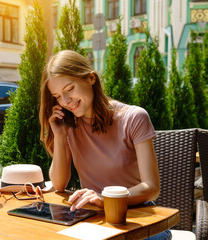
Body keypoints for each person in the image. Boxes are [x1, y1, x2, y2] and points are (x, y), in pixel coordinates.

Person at [39, 50, 171, 240]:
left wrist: (105, 199)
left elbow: (151, 187)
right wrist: (60, 137)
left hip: (139, 217)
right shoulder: (70, 125)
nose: (65, 101)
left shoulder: (134, 118)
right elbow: (59, 185)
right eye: (58, 96)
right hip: (94, 219)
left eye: (69, 89)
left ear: (91, 78)